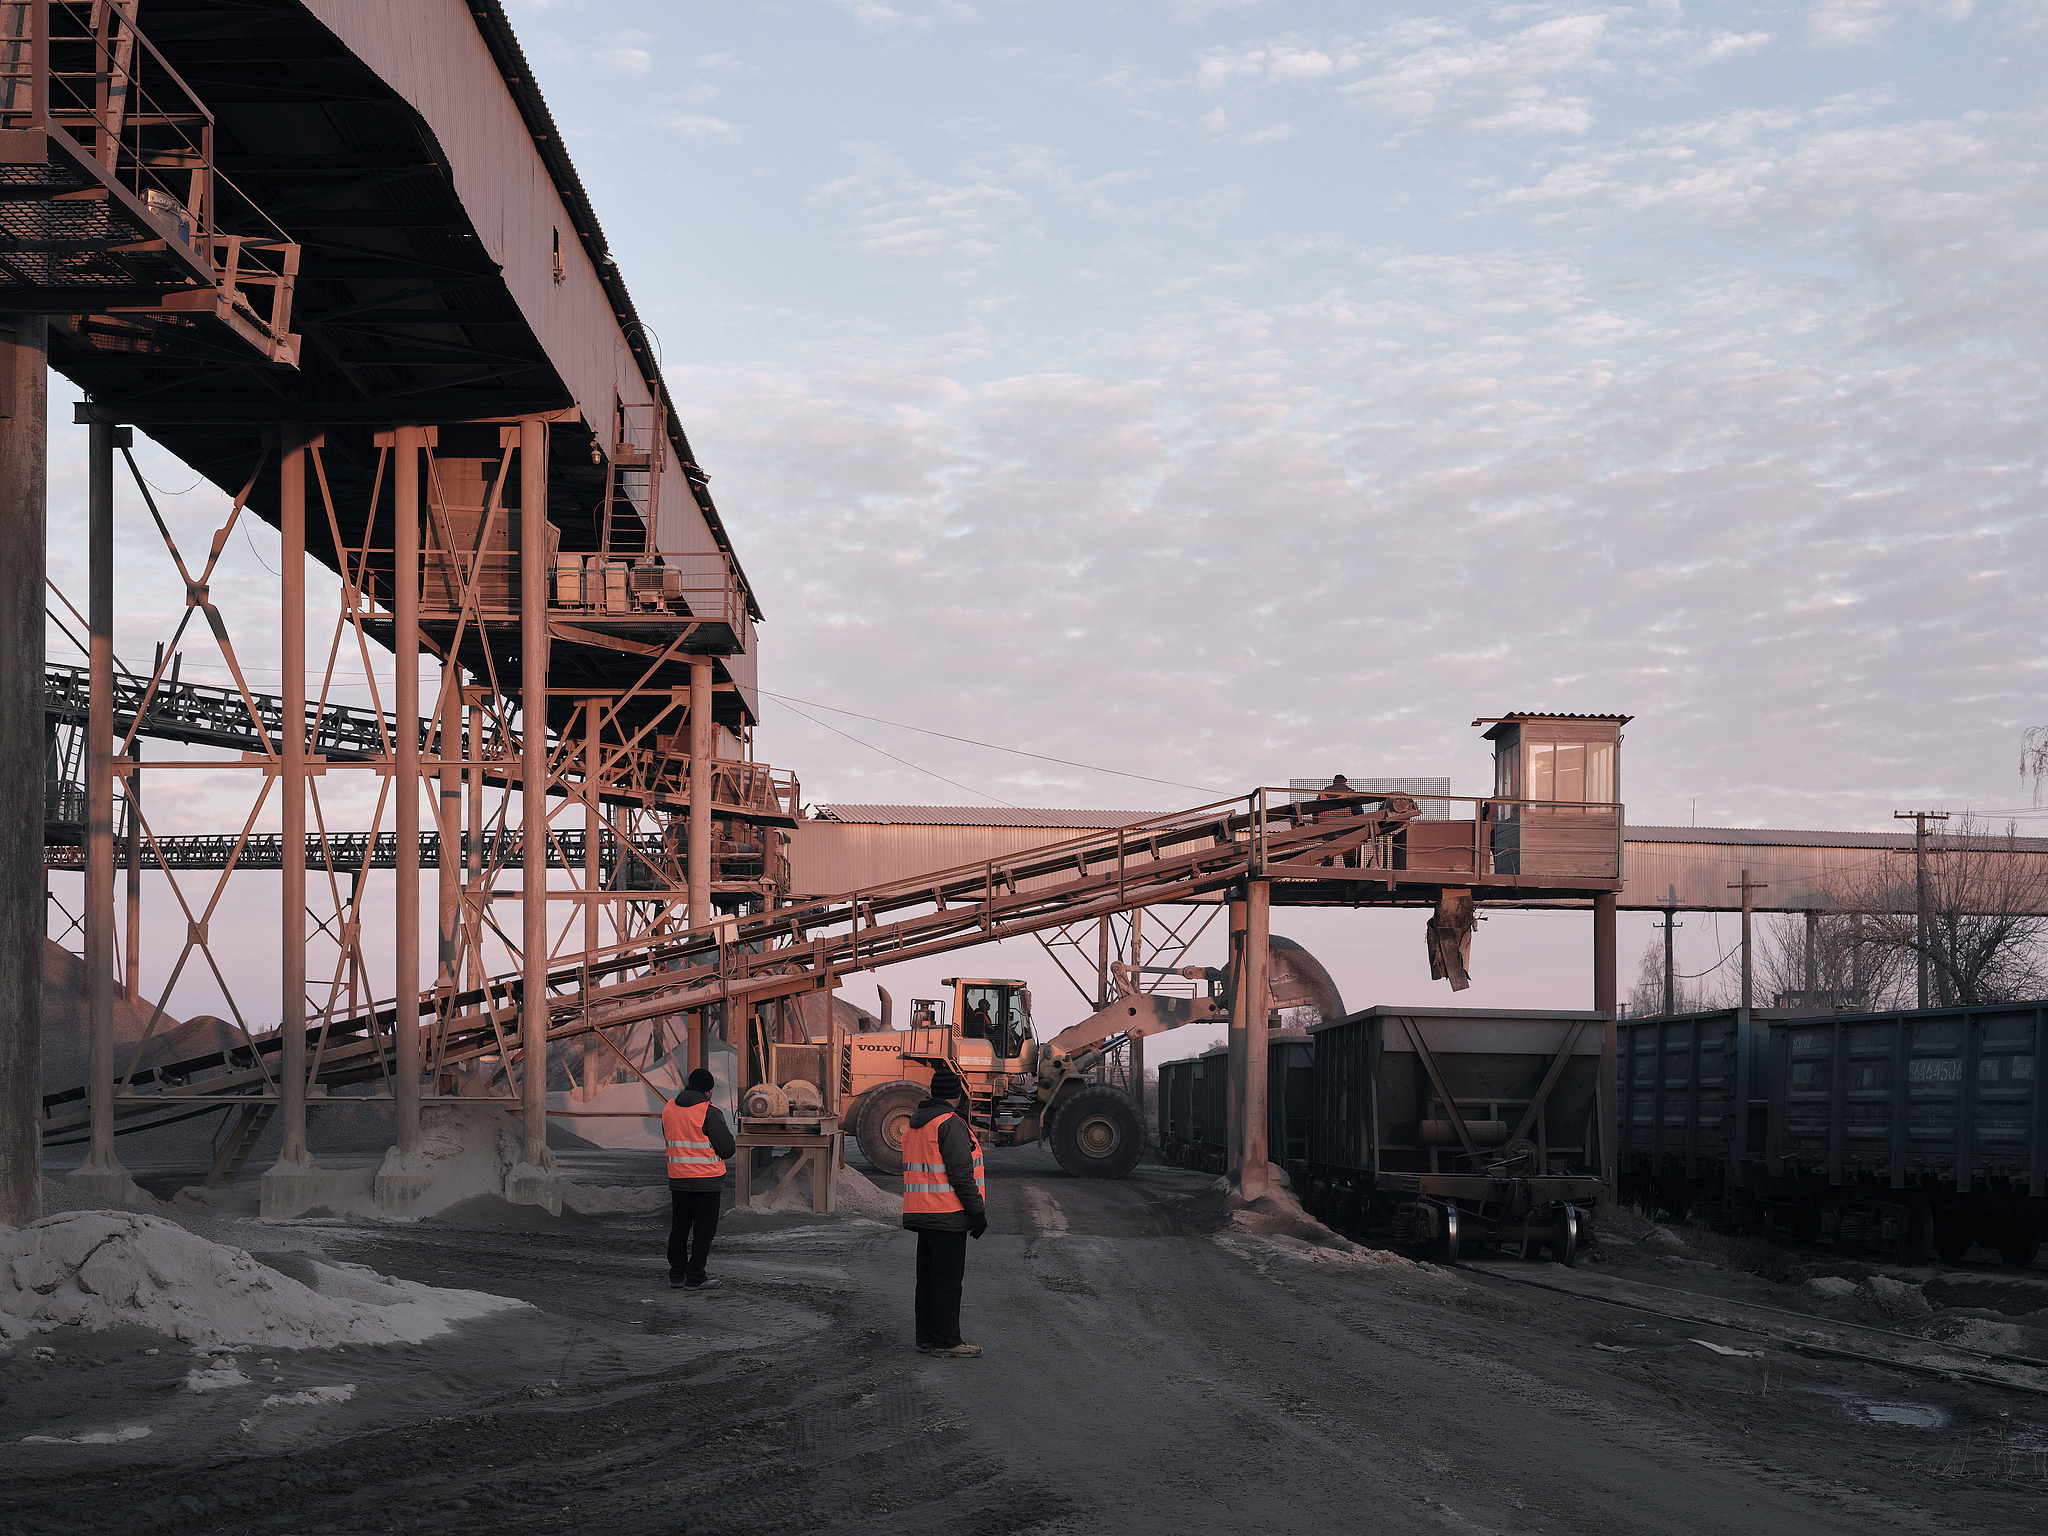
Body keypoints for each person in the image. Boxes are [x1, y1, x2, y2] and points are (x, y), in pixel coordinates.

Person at [900, 1067, 986, 1357]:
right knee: (948, 1281)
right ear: (957, 1095)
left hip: (921, 1213)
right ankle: (947, 1342)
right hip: (947, 1214)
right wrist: (977, 1212)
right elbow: (961, 1174)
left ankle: (926, 1337)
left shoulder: (917, 1123)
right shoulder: (950, 1123)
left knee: (926, 1281)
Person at [663, 1066, 736, 1290]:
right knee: (703, 1232)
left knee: (679, 1227)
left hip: (679, 1179)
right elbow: (727, 1149)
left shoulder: (669, 1108)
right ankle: (695, 1277)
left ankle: (677, 1275)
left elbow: (669, 1136)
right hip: (707, 1181)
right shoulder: (709, 1111)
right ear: (709, 1090)